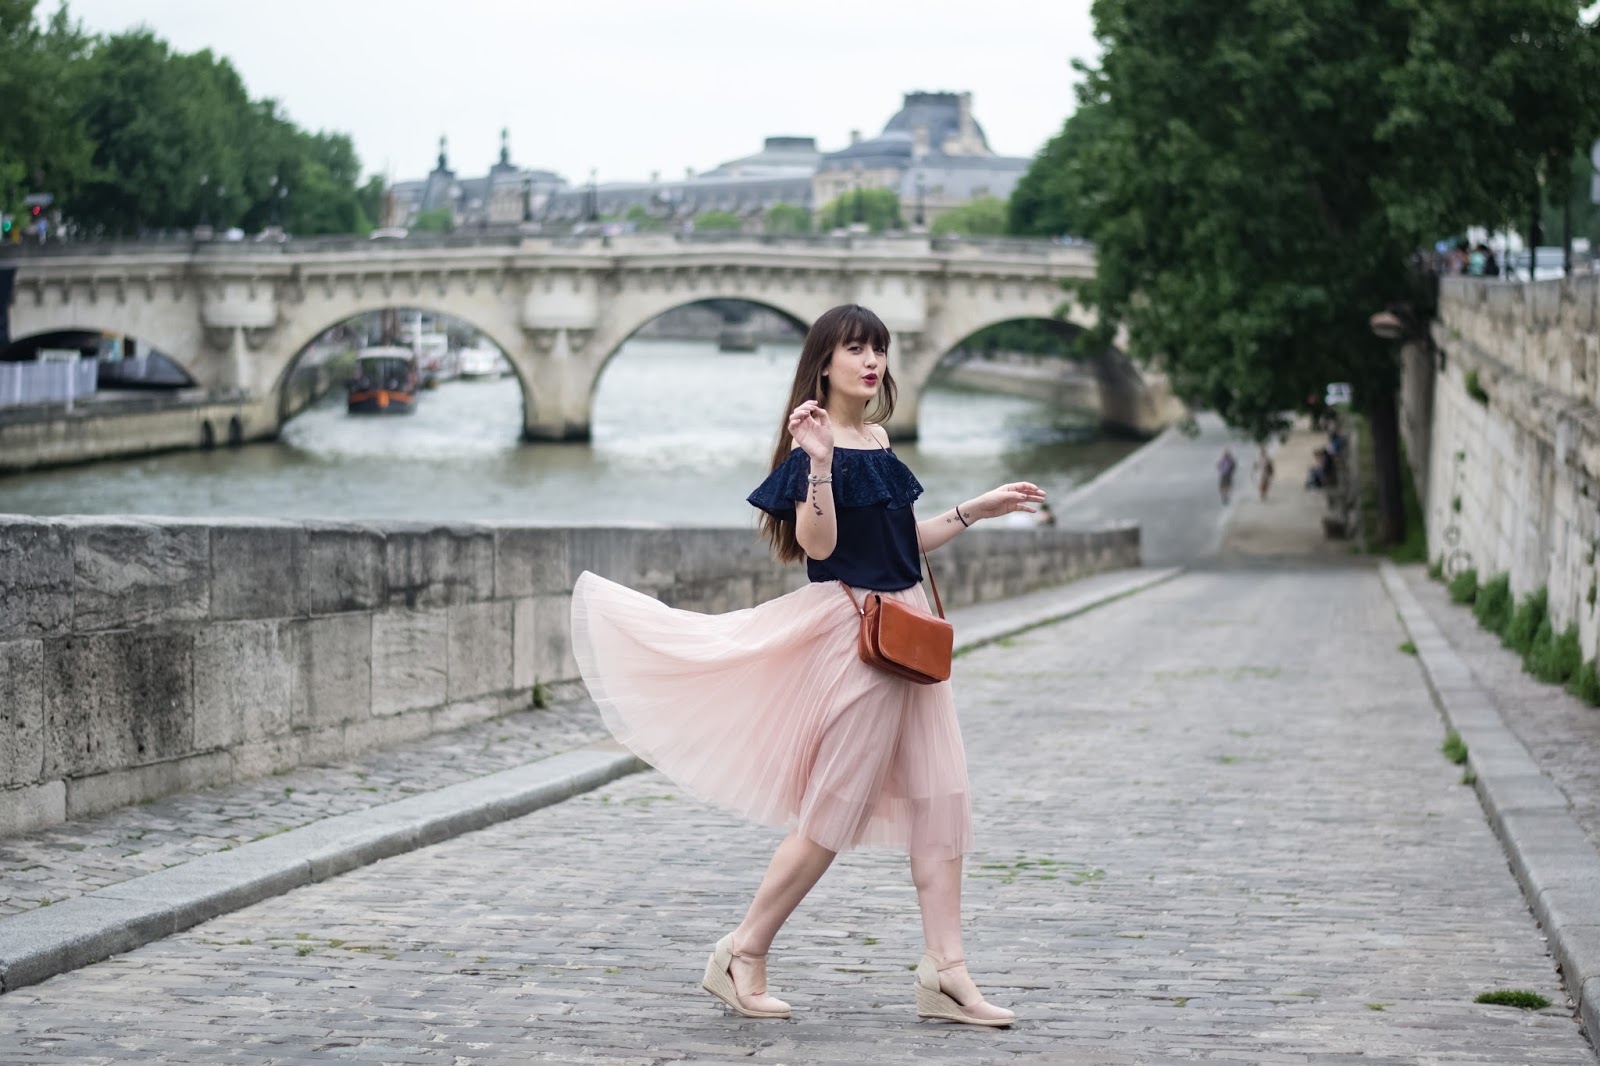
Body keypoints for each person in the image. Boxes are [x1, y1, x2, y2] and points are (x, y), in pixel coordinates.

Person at [570, 305, 1042, 1028]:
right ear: (824, 362)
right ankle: (742, 950)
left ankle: (947, 975)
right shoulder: (811, 448)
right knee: (831, 813)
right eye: (856, 349)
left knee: (943, 803)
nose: (871, 361)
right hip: (857, 640)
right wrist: (819, 462)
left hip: (905, 628)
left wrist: (977, 509)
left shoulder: (879, 439)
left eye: (878, 348)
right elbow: (820, 548)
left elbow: (900, 542)